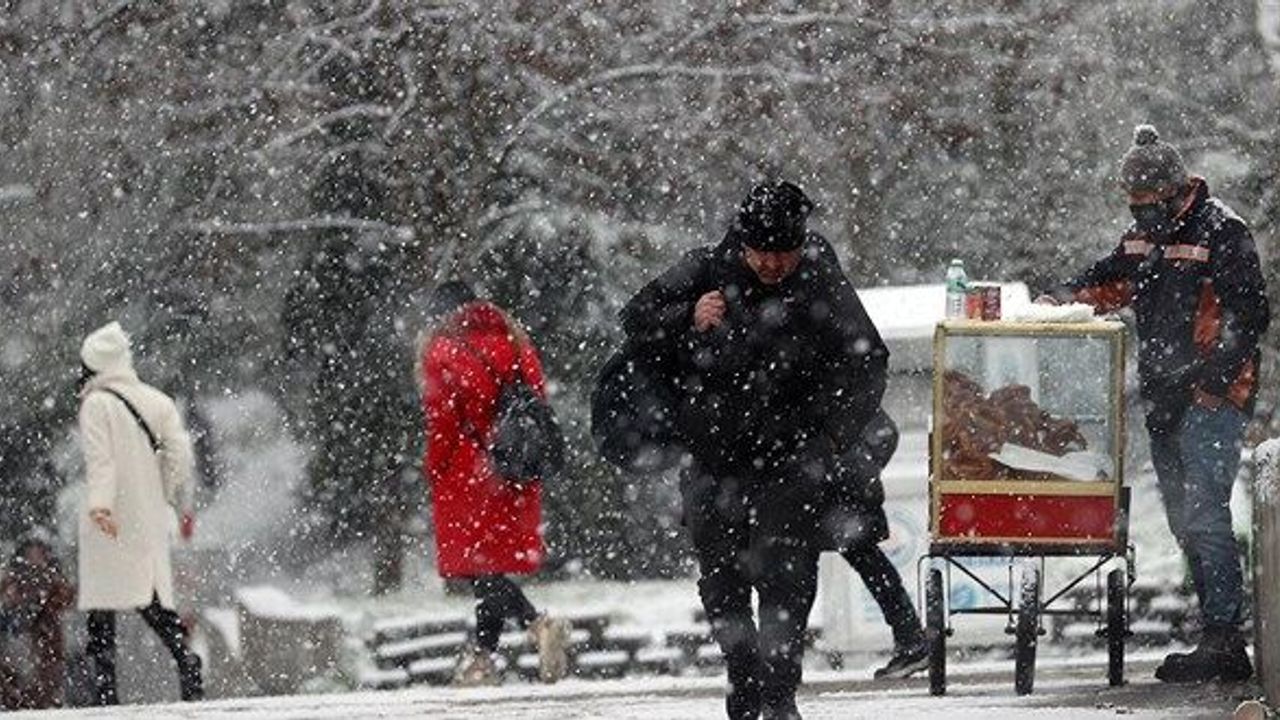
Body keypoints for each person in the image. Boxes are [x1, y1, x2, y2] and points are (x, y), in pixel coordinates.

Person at [621, 181, 888, 720]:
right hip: (713, 460)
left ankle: (780, 694)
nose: (770, 262)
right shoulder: (702, 272)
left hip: (791, 460)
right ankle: (742, 678)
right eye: (760, 251)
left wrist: (831, 435)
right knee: (722, 580)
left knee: (787, 578)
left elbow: (866, 362)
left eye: (782, 251)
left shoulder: (819, 283)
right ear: (741, 242)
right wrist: (687, 318)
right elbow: (635, 323)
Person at [1039, 125, 1270, 683]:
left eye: (1149, 208)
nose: (1141, 219)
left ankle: (1223, 637)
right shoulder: (1146, 239)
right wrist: (1058, 299)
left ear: (1175, 192)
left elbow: (1250, 315)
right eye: (1134, 209)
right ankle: (1215, 632)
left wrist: (1214, 381)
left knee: (1205, 514)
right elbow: (1111, 280)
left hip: (1212, 397)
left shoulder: (1221, 230)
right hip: (1166, 396)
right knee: (1182, 518)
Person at [419, 281, 572, 686]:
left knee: (480, 568)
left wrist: (434, 469)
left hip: (470, 471)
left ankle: (527, 629)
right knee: (489, 568)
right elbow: (536, 398)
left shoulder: (443, 351)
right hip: (515, 467)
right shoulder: (516, 341)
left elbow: (442, 424)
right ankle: (488, 656)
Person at [76, 321, 203, 704]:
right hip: (146, 514)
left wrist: (100, 503)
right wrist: (166, 495)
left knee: (103, 602)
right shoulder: (157, 400)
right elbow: (181, 455)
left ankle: (105, 691)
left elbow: (102, 462)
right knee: (147, 594)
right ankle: (185, 660)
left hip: (110, 515)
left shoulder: (96, 403)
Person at [821, 409, 928, 680]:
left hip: (841, 492)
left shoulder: (838, 387)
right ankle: (911, 640)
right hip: (841, 490)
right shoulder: (842, 387)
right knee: (869, 563)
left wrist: (853, 465)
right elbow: (885, 432)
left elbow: (885, 431)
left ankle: (912, 640)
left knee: (865, 561)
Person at [0, 536, 75, 709]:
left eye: (38, 553)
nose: (34, 558)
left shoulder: (52, 576)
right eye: (30, 553)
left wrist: (45, 607)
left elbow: (66, 597)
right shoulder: (14, 576)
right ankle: (17, 699)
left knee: (48, 669)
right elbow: (7, 596)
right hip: (16, 630)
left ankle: (40, 699)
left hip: (43, 631)